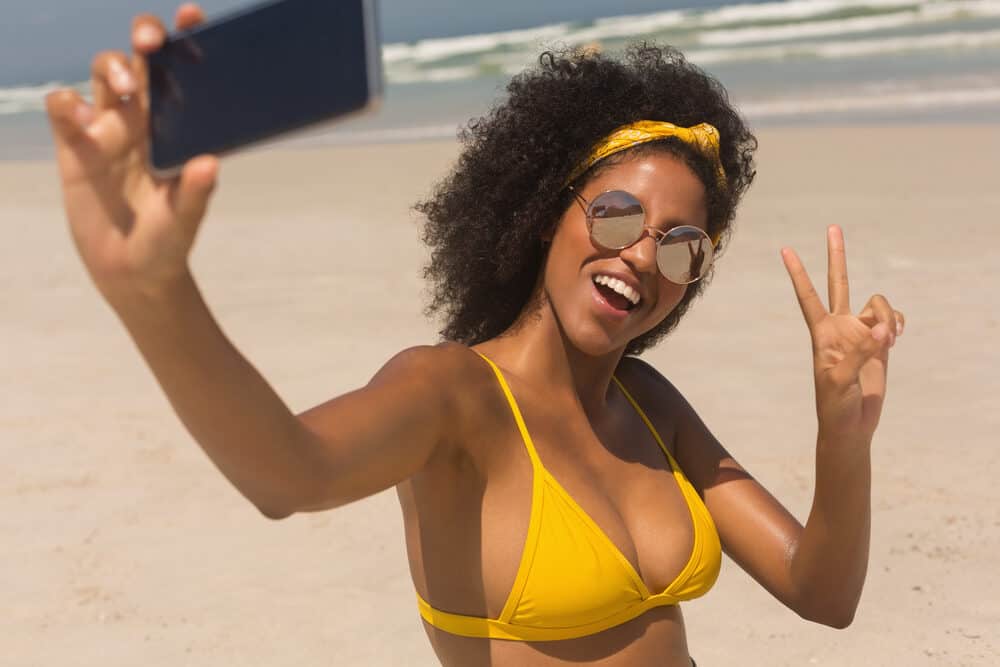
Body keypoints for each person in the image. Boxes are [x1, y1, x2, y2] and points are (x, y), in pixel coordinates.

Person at [45, 4, 905, 666]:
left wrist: (843, 434)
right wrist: (155, 294)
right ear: (544, 217)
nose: (642, 256)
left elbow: (821, 591)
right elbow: (289, 473)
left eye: (682, 246)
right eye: (615, 216)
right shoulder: (452, 395)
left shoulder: (650, 409)